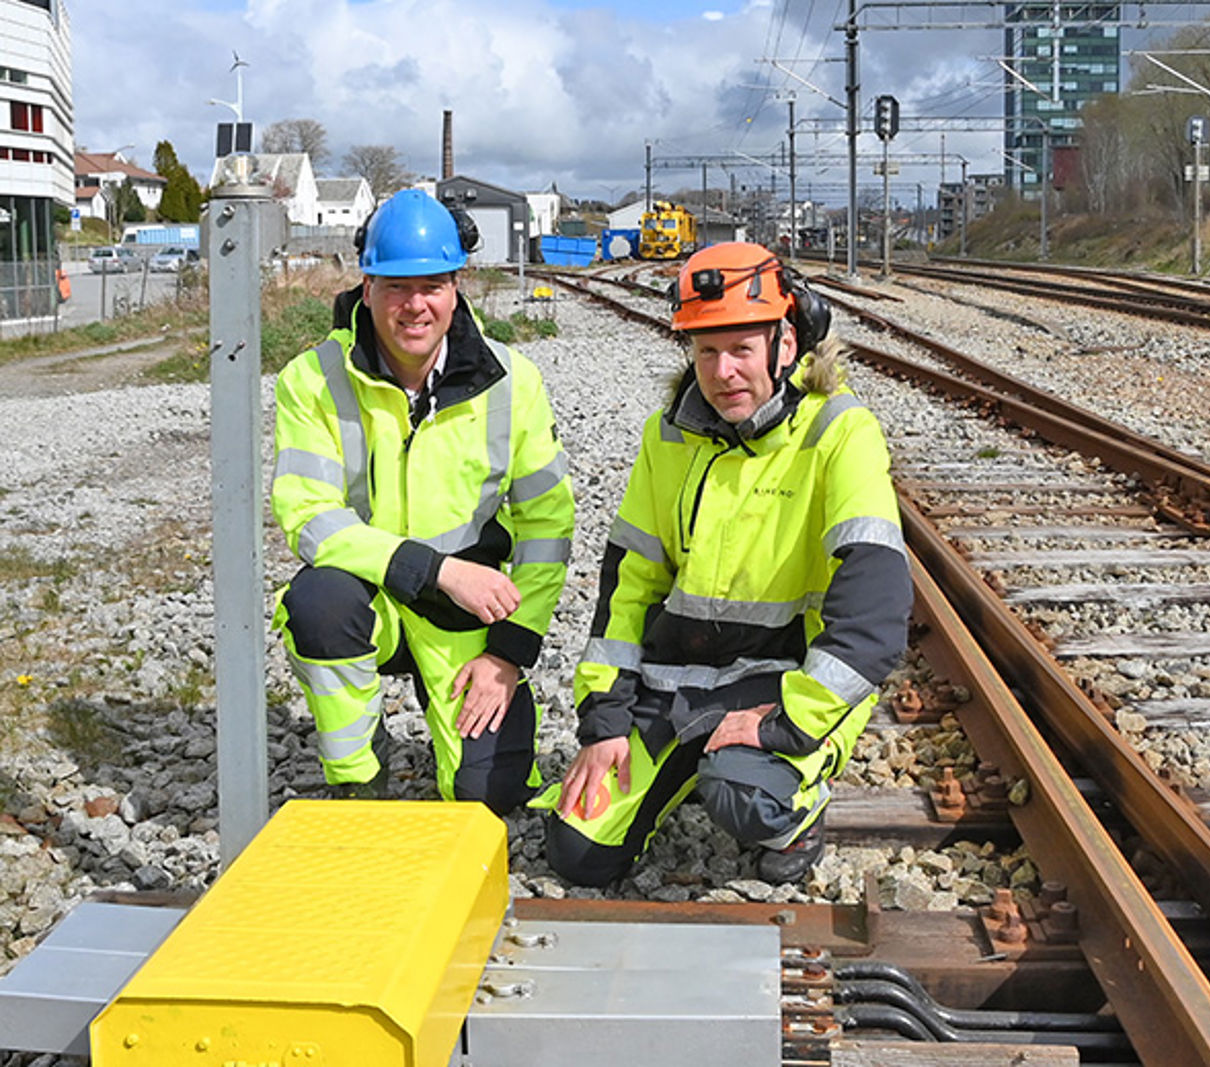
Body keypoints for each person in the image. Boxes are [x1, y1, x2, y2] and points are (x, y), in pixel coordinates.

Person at [542, 241, 912, 885]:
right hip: (676, 688)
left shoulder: (839, 432)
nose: (723, 372)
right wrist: (605, 719)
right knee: (578, 853)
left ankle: (795, 810)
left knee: (744, 798)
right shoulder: (668, 436)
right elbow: (629, 587)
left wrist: (791, 722)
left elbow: (874, 613)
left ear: (785, 344)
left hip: (783, 684)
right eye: (706, 351)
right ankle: (689, 762)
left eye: (741, 348)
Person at [270, 189, 574, 815]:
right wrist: (435, 571)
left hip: (464, 616)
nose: (415, 306)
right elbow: (308, 515)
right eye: (396, 287)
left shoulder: (512, 382)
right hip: (371, 598)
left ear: (456, 288)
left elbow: (549, 526)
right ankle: (359, 776)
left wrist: (508, 652)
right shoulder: (313, 380)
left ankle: (479, 738)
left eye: (432, 286)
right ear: (367, 287)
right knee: (318, 602)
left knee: (489, 797)